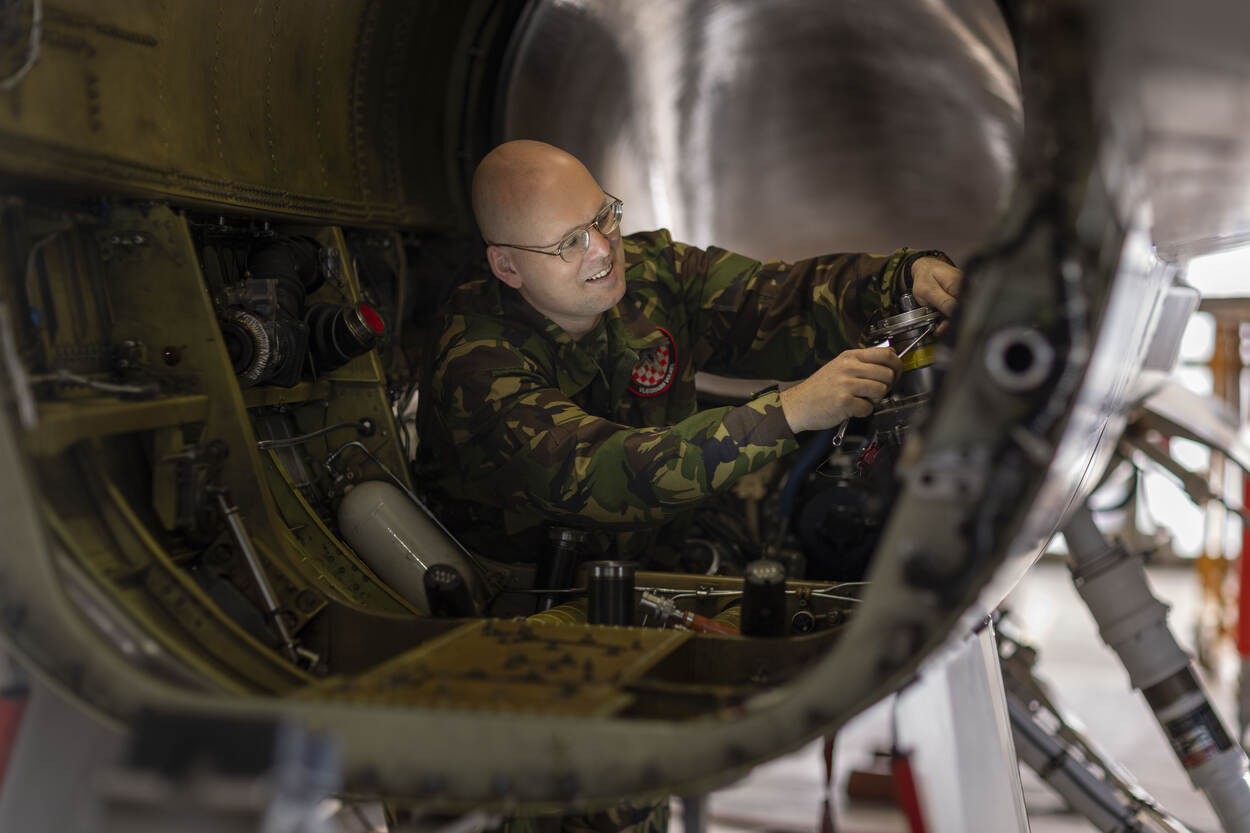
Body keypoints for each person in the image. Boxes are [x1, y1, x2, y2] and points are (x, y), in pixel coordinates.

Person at [418, 140, 962, 569]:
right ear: (507, 266)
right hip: (525, 606)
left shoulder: (654, 275)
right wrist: (791, 411)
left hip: (663, 570)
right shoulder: (474, 367)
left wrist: (902, 279)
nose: (604, 250)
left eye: (603, 217)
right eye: (569, 243)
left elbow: (776, 301)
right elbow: (604, 472)